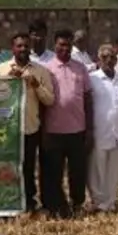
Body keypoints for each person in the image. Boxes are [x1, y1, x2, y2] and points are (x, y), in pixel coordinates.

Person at [0, 33, 55, 214]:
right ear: (12, 48)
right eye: (19, 46)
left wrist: (35, 84)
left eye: (26, 46)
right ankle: (7, 203)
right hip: (7, 129)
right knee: (7, 167)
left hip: (29, 128)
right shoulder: (1, 69)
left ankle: (29, 204)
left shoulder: (40, 71)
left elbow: (50, 100)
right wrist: (7, 81)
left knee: (27, 168)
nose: (23, 49)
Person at [41, 29, 93, 218]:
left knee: (77, 171)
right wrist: (43, 130)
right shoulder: (46, 69)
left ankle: (77, 203)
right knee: (53, 172)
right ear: (55, 45)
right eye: (61, 44)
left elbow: (87, 98)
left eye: (68, 45)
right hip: (53, 130)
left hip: (77, 129)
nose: (65, 48)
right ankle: (57, 207)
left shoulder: (80, 68)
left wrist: (90, 129)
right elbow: (42, 101)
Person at [86, 44, 118, 213]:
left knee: (114, 169)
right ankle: (98, 202)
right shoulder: (93, 79)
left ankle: (110, 202)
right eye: (105, 57)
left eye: (112, 57)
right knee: (97, 168)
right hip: (100, 129)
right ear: (99, 59)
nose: (109, 60)